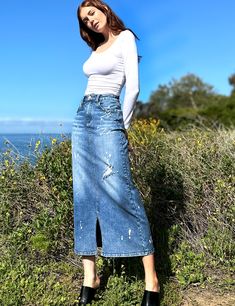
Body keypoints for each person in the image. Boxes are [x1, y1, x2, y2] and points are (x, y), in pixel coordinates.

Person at [72, 1, 160, 305]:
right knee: (83, 193)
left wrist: (119, 125)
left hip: (109, 111)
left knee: (120, 188)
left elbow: (133, 88)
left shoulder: (125, 38)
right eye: (85, 19)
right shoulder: (96, 50)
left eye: (92, 13)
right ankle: (90, 276)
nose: (90, 20)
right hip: (83, 116)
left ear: (104, 9)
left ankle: (152, 279)